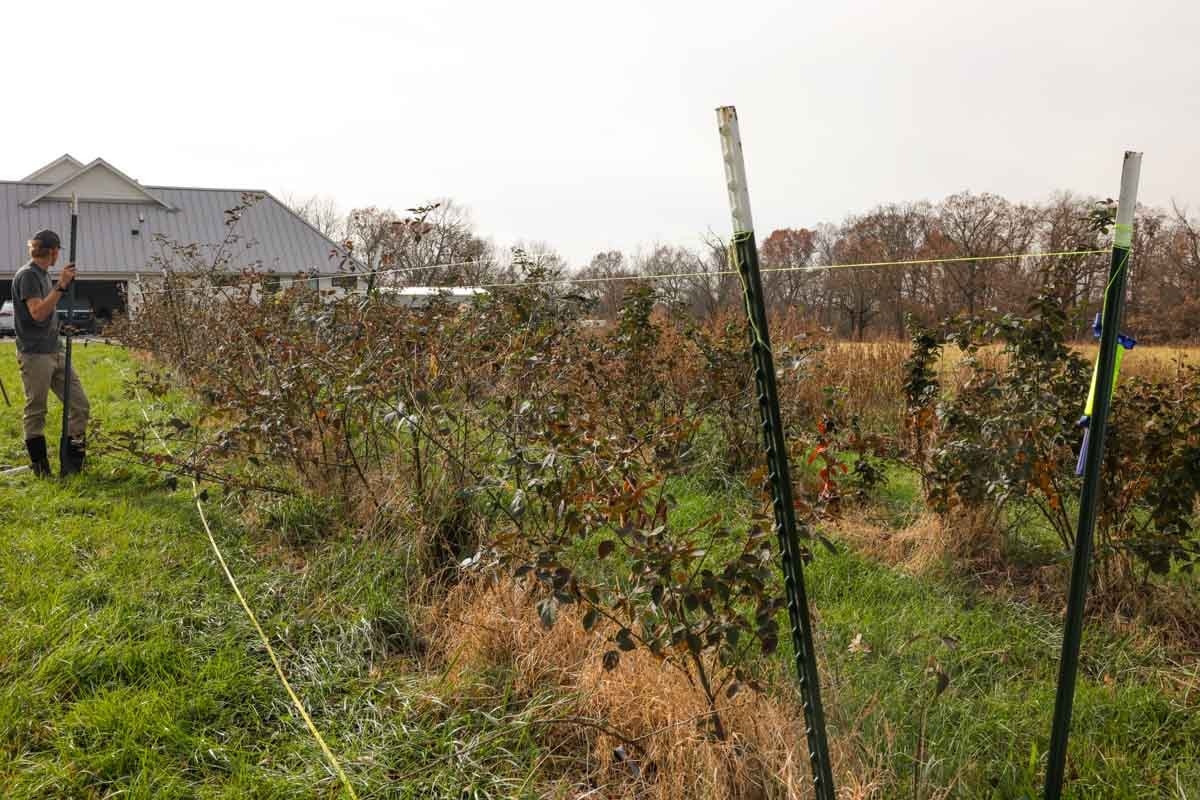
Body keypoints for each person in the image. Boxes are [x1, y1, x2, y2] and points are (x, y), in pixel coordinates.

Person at [11, 229, 89, 476]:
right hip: (35, 355)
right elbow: (37, 313)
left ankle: (72, 465)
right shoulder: (28, 276)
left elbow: (46, 315)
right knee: (37, 410)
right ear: (53, 251)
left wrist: (59, 326)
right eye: (58, 251)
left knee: (79, 405)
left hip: (55, 351)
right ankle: (41, 468)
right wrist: (62, 286)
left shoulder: (43, 275)